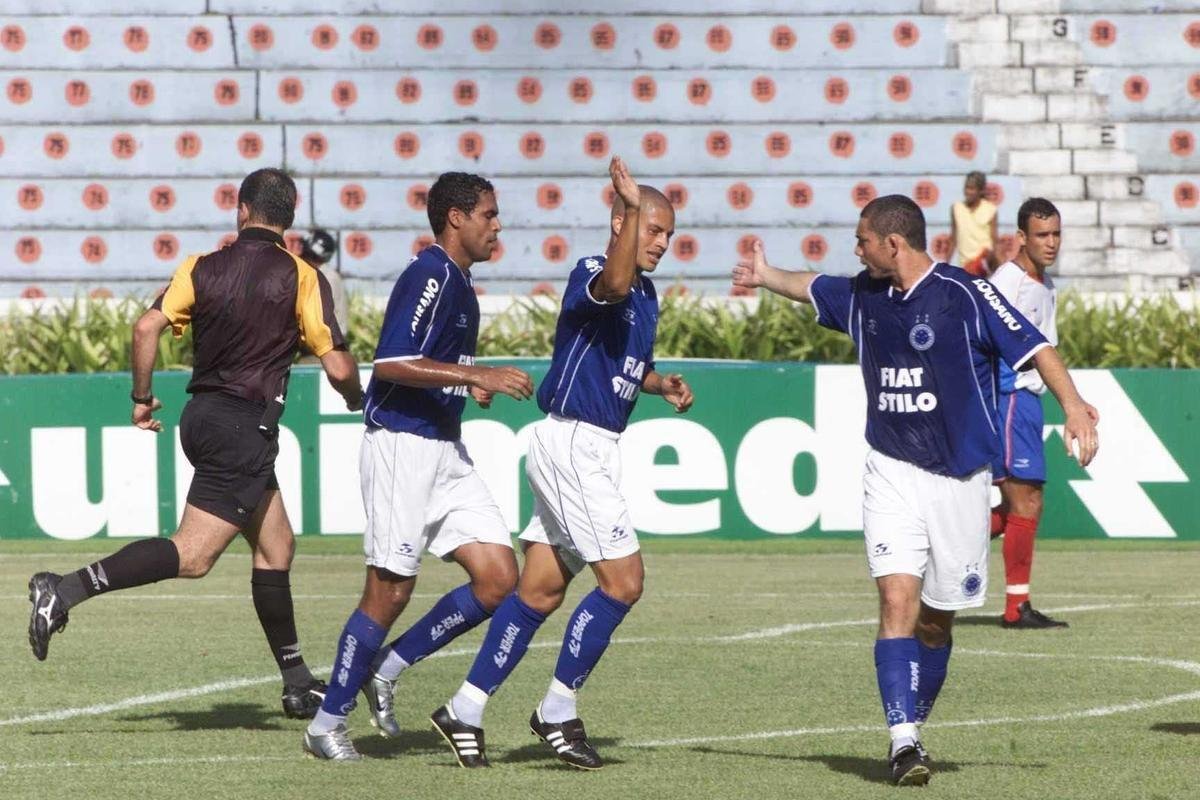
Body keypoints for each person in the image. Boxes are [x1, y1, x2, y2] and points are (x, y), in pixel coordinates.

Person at [731, 194, 1099, 786]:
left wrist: (1074, 406)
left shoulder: (966, 296)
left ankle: (914, 722)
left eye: (862, 240)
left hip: (960, 480)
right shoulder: (864, 295)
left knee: (937, 621)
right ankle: (903, 740)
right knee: (897, 602)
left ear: (893, 244)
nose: (856, 249)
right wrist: (766, 275)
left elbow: (1036, 347)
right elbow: (811, 285)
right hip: (890, 471)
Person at [27, 167, 364, 720]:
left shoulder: (201, 267)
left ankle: (298, 683)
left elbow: (144, 329)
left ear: (241, 209)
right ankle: (63, 589)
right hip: (243, 427)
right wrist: (355, 396)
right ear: (292, 215)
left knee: (275, 547)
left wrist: (141, 396)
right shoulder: (302, 276)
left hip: (202, 416)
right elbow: (338, 365)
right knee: (195, 554)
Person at [418, 156, 692, 771]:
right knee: (624, 583)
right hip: (572, 446)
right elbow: (611, 289)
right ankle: (557, 711)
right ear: (622, 224)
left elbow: (617, 361)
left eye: (668, 235)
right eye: (652, 230)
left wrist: (656, 382)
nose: (662, 244)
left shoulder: (646, 295)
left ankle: (464, 707)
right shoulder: (594, 271)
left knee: (537, 592)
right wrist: (625, 210)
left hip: (591, 448)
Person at [302, 172, 535, 761]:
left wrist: (465, 388)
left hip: (444, 449)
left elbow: (431, 363)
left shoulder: (460, 283)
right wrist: (473, 375)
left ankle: (388, 666)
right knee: (389, 591)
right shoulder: (429, 271)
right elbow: (391, 362)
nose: (497, 224)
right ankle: (325, 723)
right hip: (401, 447)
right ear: (456, 218)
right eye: (489, 213)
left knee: (499, 577)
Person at [989, 198, 1068, 629]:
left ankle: (936, 546)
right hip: (1010, 396)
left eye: (1056, 233)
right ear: (1021, 237)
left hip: (1029, 400)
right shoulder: (1009, 282)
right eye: (1042, 235)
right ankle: (1015, 607)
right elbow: (988, 341)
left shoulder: (1044, 284)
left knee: (1022, 502)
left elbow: (1044, 351)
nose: (1051, 243)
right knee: (1025, 499)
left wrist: (1070, 401)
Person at [299, 229, 349, 338]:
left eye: (304, 252)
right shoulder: (319, 273)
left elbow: (317, 318)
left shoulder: (326, 277)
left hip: (328, 343)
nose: (300, 255)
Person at [950, 171, 998, 276]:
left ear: (981, 191)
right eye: (966, 188)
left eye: (972, 188)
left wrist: (999, 266)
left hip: (984, 261)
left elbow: (994, 240)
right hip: (965, 265)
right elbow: (953, 239)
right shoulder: (956, 208)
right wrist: (945, 265)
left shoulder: (990, 209)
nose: (968, 192)